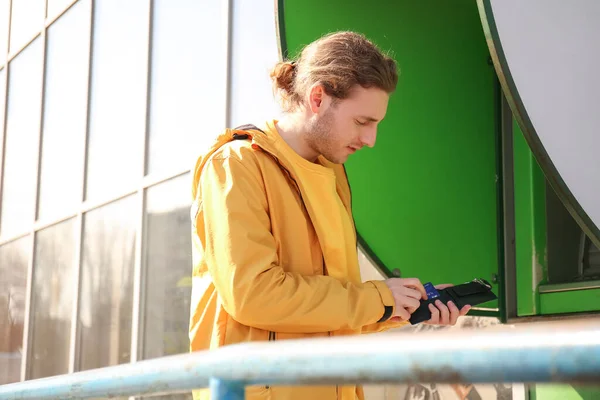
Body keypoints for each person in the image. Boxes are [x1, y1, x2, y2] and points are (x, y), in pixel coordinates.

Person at [189, 31, 471, 400]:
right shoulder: (236, 165)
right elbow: (253, 295)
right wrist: (375, 299)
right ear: (318, 97)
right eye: (362, 121)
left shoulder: (332, 174)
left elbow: (332, 309)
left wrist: (400, 306)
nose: (370, 139)